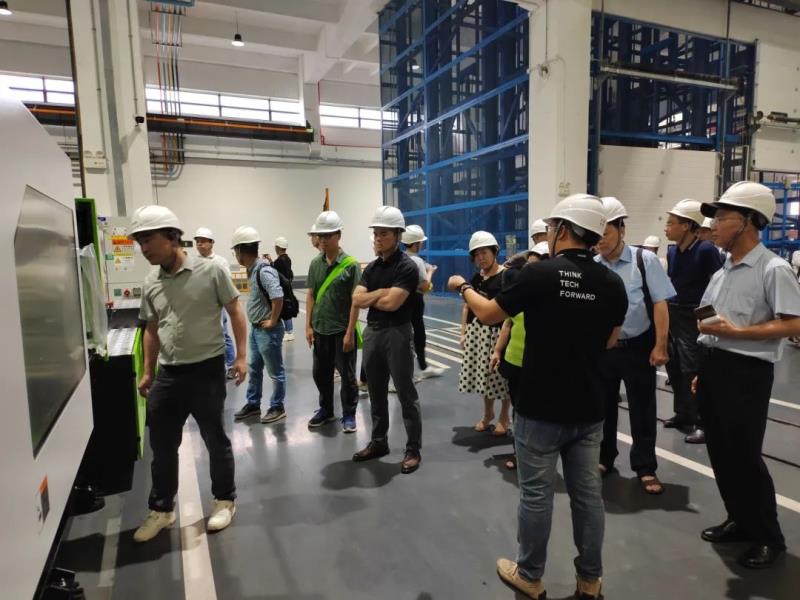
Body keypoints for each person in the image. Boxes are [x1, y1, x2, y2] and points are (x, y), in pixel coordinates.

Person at [447, 194, 627, 600]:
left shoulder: (539, 274)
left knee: (536, 495)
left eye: (551, 227)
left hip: (540, 405)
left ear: (562, 230)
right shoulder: (612, 283)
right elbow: (610, 339)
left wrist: (462, 287)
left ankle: (529, 575)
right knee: (587, 497)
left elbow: (489, 314)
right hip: (589, 406)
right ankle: (590, 580)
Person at [695, 181, 800, 569]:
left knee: (744, 456)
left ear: (749, 221)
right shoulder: (723, 270)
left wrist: (737, 334)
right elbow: (710, 320)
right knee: (721, 453)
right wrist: (704, 367)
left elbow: (794, 323)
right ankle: (739, 519)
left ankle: (769, 537)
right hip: (715, 367)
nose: (714, 225)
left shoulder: (773, 269)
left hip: (746, 373)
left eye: (722, 217)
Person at [129, 206, 247, 543]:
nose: (143, 248)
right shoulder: (151, 282)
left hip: (206, 370)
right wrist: (148, 371)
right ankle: (162, 509)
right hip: (168, 374)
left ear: (171, 237)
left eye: (148, 239)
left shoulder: (211, 271)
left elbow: (235, 311)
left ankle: (224, 500)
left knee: (215, 439)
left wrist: (241, 356)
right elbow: (152, 329)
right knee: (162, 444)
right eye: (139, 241)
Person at [595, 196, 675, 495]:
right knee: (603, 407)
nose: (600, 241)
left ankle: (645, 466)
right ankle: (604, 458)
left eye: (605, 233)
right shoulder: (593, 266)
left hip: (638, 346)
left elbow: (660, 304)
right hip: (604, 349)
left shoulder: (645, 260)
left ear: (621, 229)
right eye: (595, 234)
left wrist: (660, 345)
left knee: (642, 408)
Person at [351, 206, 422, 474]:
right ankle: (379, 441)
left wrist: (373, 297)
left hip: (397, 334)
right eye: (376, 233)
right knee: (375, 392)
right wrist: (381, 292)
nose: (378, 238)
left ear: (397, 235)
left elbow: (392, 304)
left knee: (406, 394)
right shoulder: (372, 267)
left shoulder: (407, 267)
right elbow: (356, 299)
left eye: (384, 233)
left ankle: (413, 448)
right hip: (373, 332)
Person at [662, 200, 723, 444]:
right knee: (674, 366)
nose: (666, 227)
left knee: (693, 368)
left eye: (671, 223)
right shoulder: (672, 251)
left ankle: (701, 422)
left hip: (695, 313)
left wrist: (709, 320)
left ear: (686, 226)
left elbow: (718, 284)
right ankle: (683, 413)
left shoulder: (706, 250)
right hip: (674, 312)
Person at [489, 241, 550, 470]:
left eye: (536, 266)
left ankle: (539, 455)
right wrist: (497, 351)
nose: (530, 271)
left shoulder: (552, 300)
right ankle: (520, 451)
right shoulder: (521, 294)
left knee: (539, 412)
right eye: (528, 266)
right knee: (519, 410)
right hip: (514, 361)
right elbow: (507, 324)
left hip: (540, 365)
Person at [304, 211, 361, 432]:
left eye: (327, 235)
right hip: (320, 330)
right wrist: (308, 326)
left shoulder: (351, 265)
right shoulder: (315, 264)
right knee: (320, 374)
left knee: (347, 376)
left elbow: (356, 301)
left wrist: (350, 333)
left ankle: (349, 414)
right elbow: (311, 295)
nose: (323, 240)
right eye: (320, 235)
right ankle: (326, 410)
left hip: (341, 331)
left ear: (338, 235)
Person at [231, 226, 288, 424]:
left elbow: (277, 296)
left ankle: (277, 406)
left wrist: (273, 320)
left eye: (235, 250)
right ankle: (253, 404)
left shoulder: (264, 270)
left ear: (240, 250)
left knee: (275, 372)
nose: (235, 255)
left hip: (268, 331)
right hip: (257, 330)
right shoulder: (253, 270)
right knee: (254, 368)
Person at [457, 231, 511, 436]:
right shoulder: (475, 279)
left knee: (502, 378)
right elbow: (467, 306)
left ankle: (504, 417)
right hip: (478, 333)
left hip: (500, 334)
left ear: (494, 252)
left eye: (484, 252)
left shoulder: (506, 276)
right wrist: (463, 332)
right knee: (484, 377)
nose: (481, 258)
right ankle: (488, 414)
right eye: (477, 254)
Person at [401, 224, 444, 380]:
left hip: (402, 300)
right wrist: (430, 272)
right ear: (416, 244)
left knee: (404, 331)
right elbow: (425, 286)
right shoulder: (417, 261)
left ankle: (408, 368)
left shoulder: (402, 257)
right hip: (415, 300)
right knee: (419, 333)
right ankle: (423, 367)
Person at [194, 227, 237, 378]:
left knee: (223, 334)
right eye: (197, 241)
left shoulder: (220, 261)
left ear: (211, 243)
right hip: (199, 306)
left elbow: (227, 284)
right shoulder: (192, 262)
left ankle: (230, 366)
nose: (199, 244)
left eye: (203, 241)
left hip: (218, 304)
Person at [272, 236, 295, 342]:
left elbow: (275, 272)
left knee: (285, 310)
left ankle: (289, 332)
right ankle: (287, 331)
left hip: (282, 289)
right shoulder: (287, 259)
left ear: (278, 248)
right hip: (287, 288)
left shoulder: (279, 261)